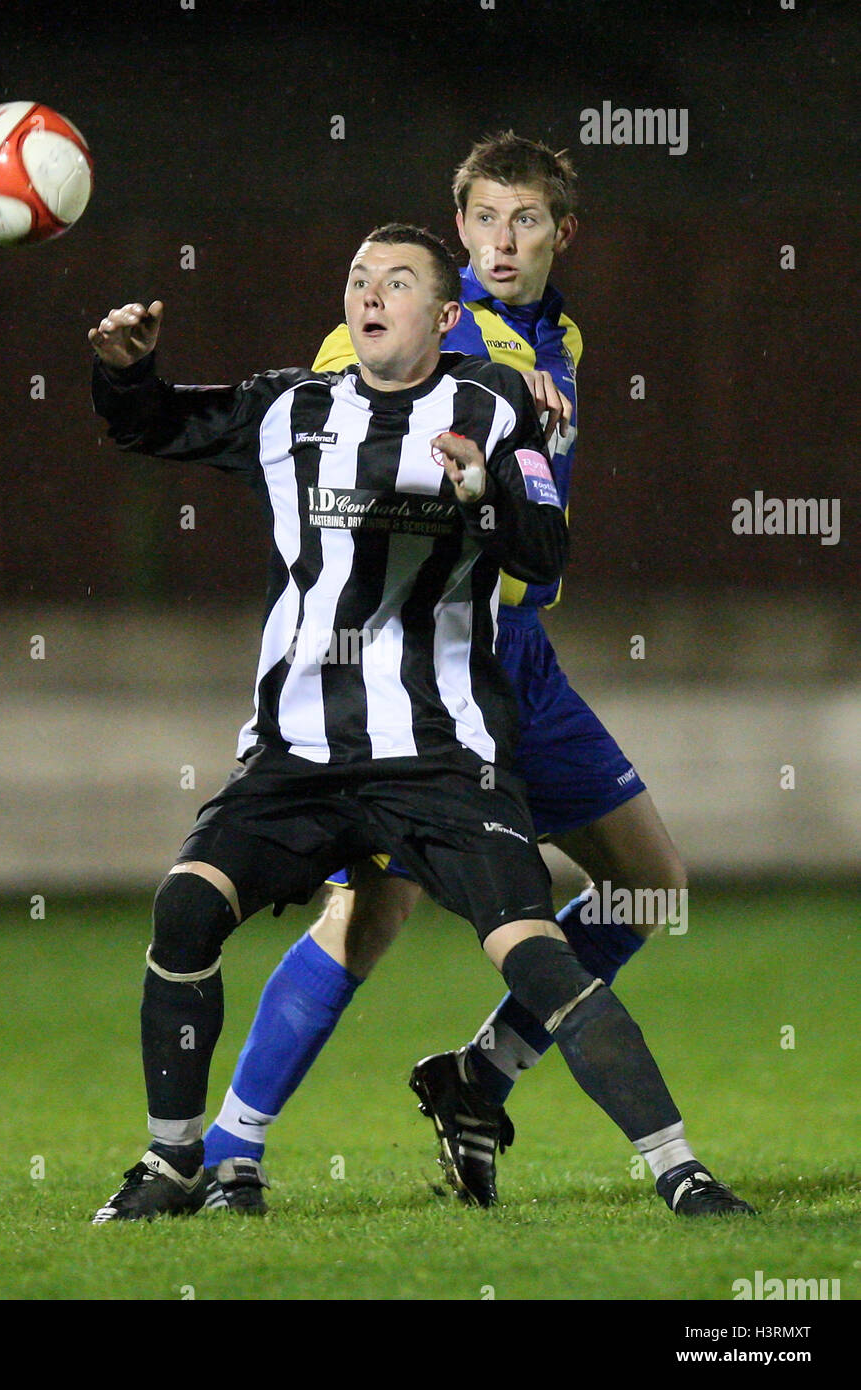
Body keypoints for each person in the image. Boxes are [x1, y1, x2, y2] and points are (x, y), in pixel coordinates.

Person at [87, 224, 749, 1224]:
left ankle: (679, 1170)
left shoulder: (489, 406)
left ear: (446, 318)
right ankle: (177, 1162)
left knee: (537, 949)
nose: (370, 293)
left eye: (397, 281)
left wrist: (480, 488)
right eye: (357, 278)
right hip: (297, 760)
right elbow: (155, 427)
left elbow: (543, 539)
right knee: (186, 905)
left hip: (439, 761)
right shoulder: (291, 406)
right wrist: (128, 374)